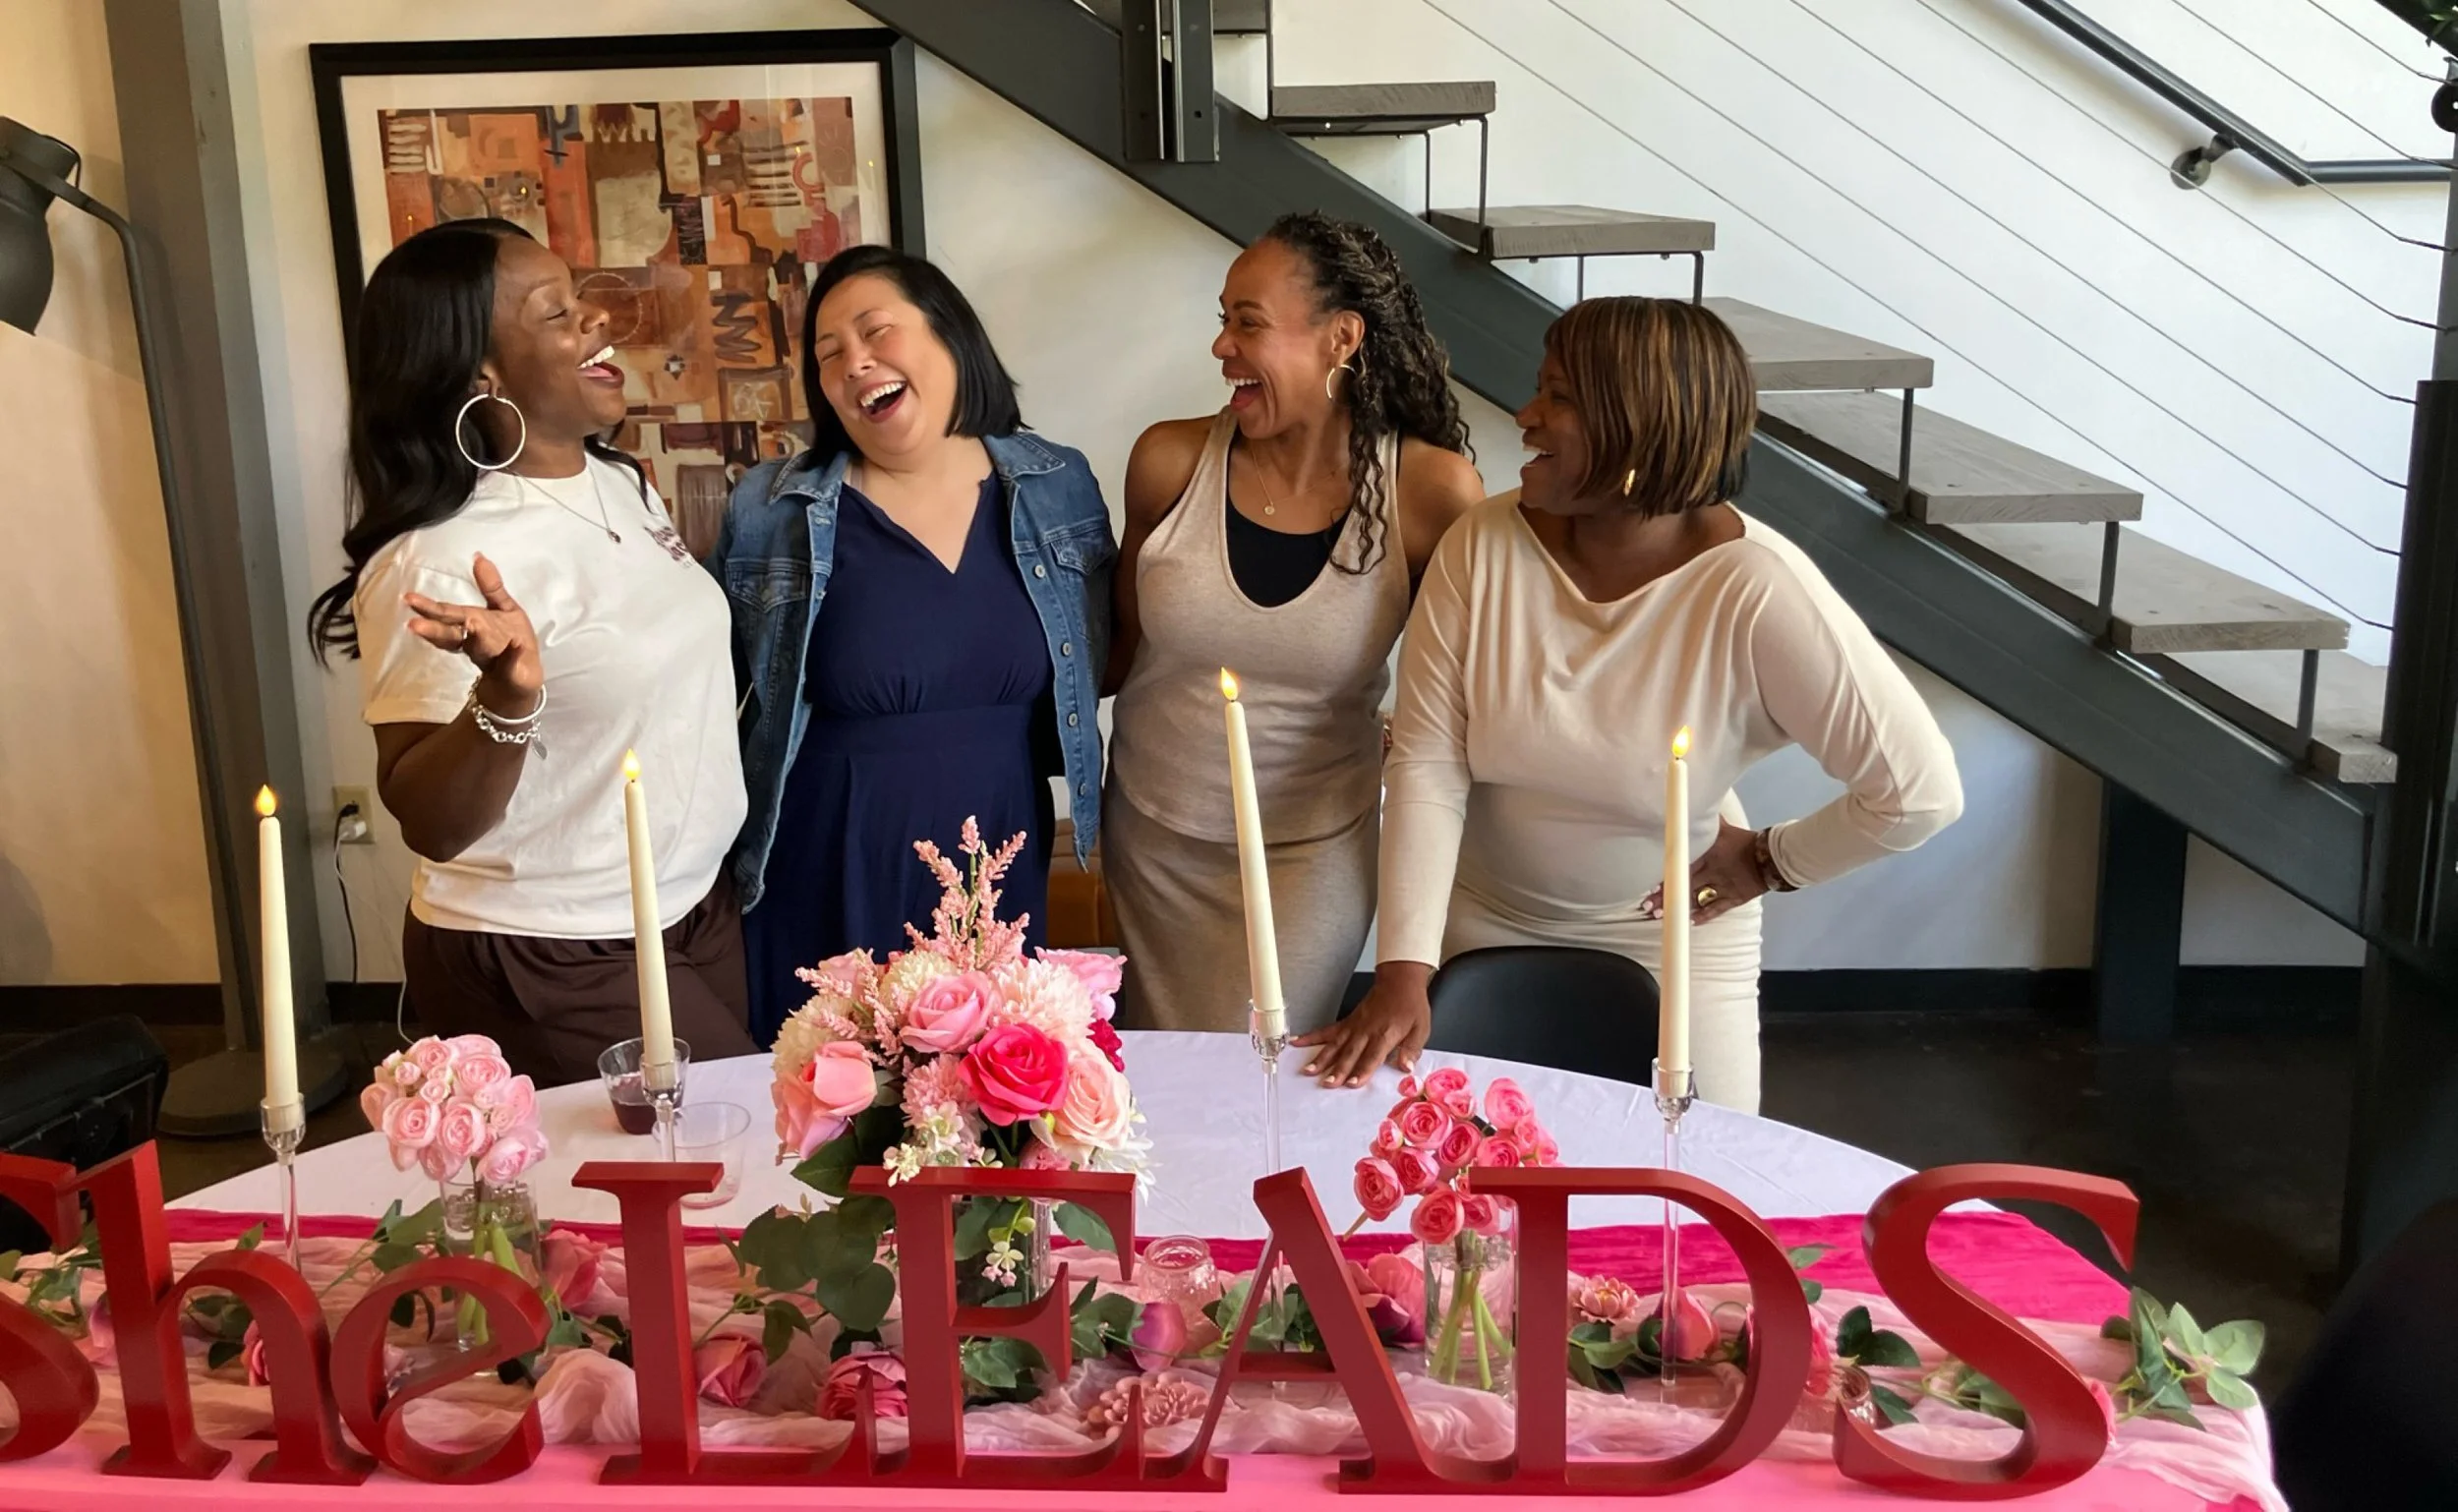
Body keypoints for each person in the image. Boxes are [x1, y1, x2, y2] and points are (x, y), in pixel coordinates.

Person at [1297, 297, 1963, 1111]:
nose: (1525, 415)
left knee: (1694, 1173)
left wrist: (1773, 860)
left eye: (1559, 398)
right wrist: (1404, 969)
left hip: (1674, 941)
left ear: (1638, 428)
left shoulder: (1758, 590)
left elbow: (1918, 792)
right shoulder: (1482, 545)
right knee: (1479, 1177)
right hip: (1487, 920)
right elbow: (1428, 762)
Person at [307, 218, 754, 1086]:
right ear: (482, 373)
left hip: (692, 905)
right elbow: (433, 822)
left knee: (721, 1156)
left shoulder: (618, 483)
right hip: (551, 943)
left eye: (579, 298)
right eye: (557, 313)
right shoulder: (439, 557)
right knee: (737, 1155)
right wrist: (505, 700)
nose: (597, 319)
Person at [714, 246, 1114, 1042]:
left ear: (949, 333)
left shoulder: (1057, 485)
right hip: (830, 852)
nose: (854, 364)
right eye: (828, 355)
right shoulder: (771, 508)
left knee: (991, 1088)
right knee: (834, 1096)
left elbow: (1097, 661)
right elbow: (710, 693)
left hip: (999, 846)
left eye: (876, 332)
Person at [1102, 213, 1488, 1036]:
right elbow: (1118, 654)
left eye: (1249, 323)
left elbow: (1457, 699)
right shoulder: (1168, 463)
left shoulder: (1431, 494)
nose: (1221, 347)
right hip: (1153, 835)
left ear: (1340, 338)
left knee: (1258, 1067)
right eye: (1224, 320)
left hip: (1309, 854)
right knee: (1159, 1076)